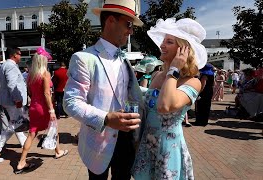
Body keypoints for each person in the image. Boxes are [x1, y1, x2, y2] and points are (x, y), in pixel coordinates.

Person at [63, 0, 143, 179]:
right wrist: (106, 119)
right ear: (111, 21)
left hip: (127, 139)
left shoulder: (124, 59)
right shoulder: (84, 58)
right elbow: (70, 103)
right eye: (128, 24)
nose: (131, 31)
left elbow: (129, 92)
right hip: (98, 141)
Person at [132, 18, 207, 180]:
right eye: (163, 41)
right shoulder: (157, 75)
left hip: (168, 148)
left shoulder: (192, 82)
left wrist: (174, 69)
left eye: (169, 42)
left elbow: (164, 106)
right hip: (147, 144)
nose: (162, 45)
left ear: (183, 50)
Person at [15, 47, 68, 174]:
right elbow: (46, 93)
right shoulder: (45, 74)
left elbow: (31, 93)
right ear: (43, 61)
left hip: (34, 106)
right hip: (43, 107)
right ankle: (58, 152)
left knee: (32, 133)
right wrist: (51, 110)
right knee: (54, 128)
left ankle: (22, 161)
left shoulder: (30, 76)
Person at [0, 47, 27, 163]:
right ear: (15, 55)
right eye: (20, 54)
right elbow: (12, 85)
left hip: (7, 100)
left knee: (16, 124)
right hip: (13, 101)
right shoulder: (10, 66)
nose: (21, 56)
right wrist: (17, 99)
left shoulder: (4, 65)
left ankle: (25, 145)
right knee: (15, 124)